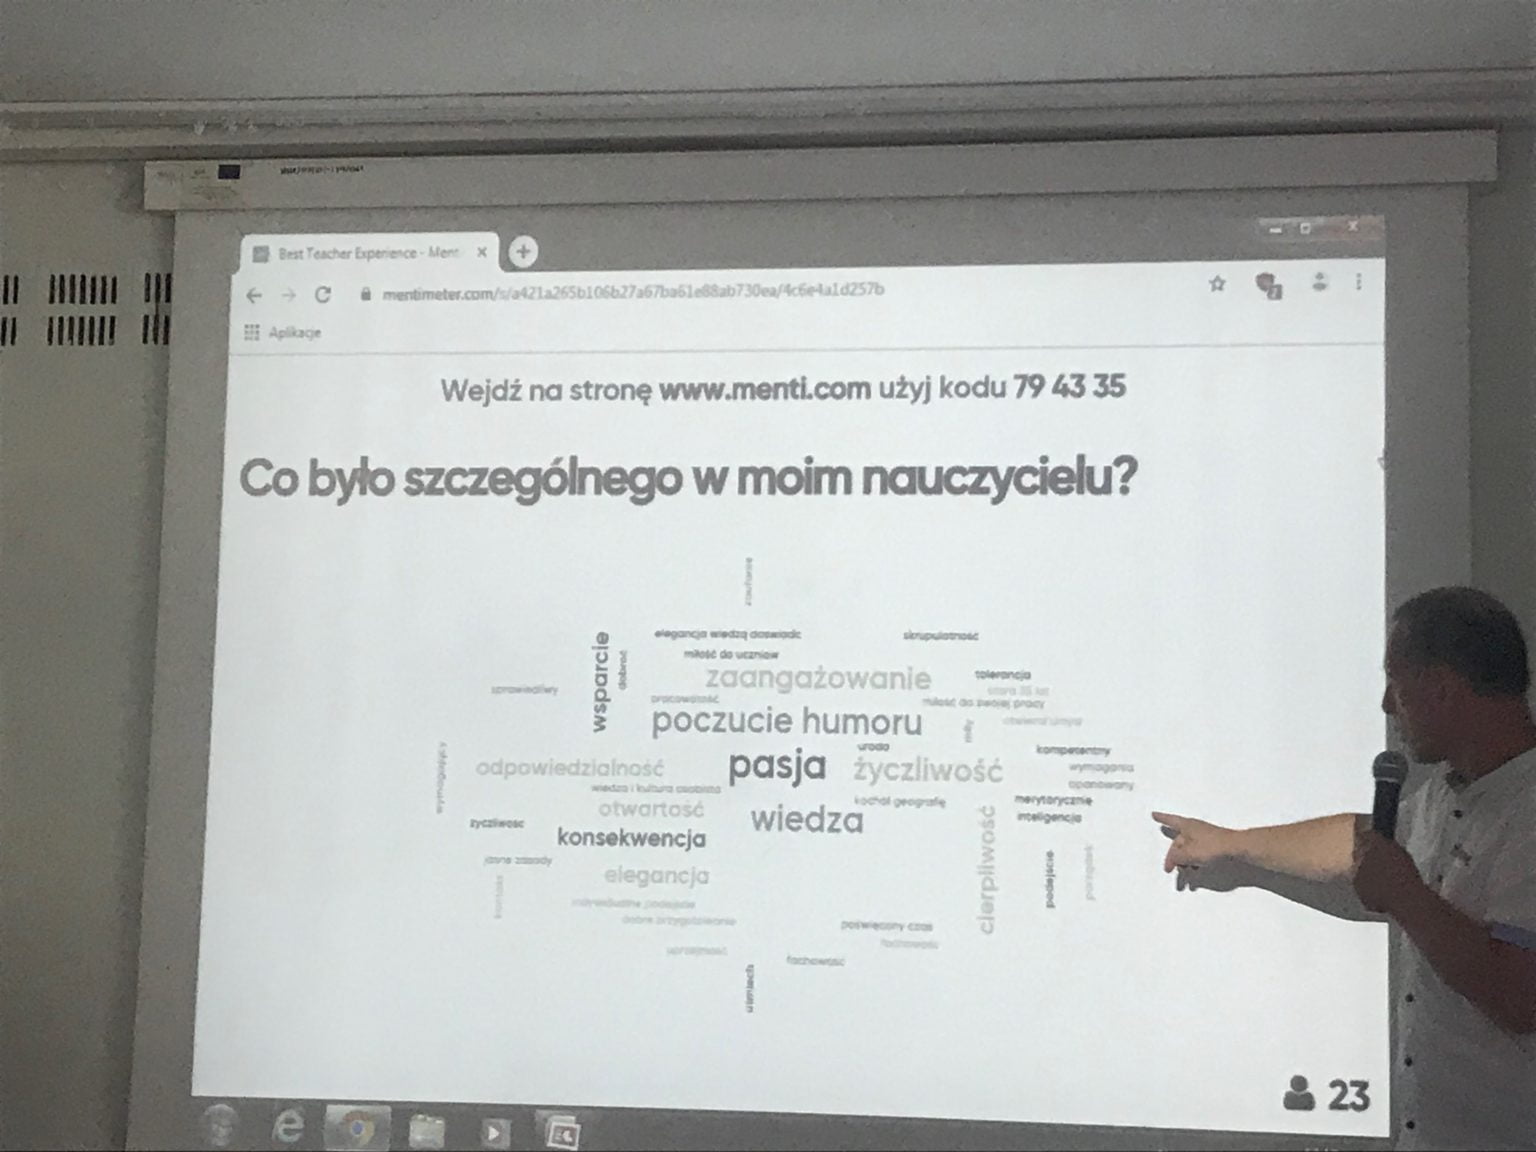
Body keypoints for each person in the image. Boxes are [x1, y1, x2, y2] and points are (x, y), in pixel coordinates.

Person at [1154, 586, 1536, 1150]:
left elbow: (1521, 995)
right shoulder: (1445, 793)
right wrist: (1235, 849)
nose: (1386, 705)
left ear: (1442, 687)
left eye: (1395, 682)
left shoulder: (1526, 808)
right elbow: (1358, 849)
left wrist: (1406, 895)